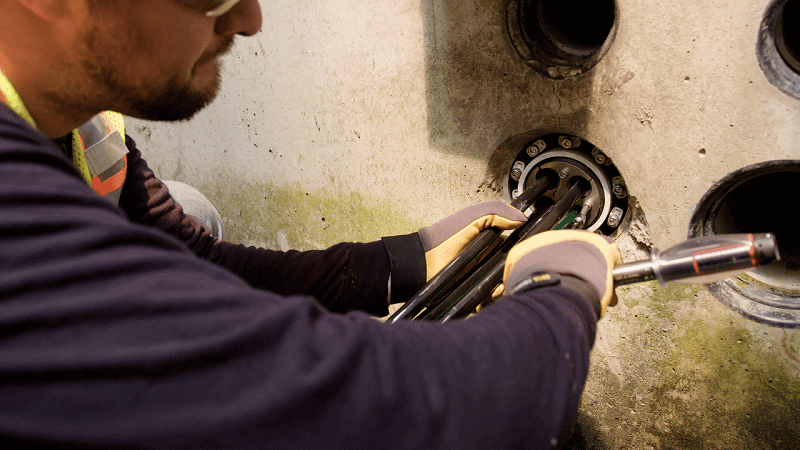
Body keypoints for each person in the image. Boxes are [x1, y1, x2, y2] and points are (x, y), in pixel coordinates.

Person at [0, 0, 622, 448]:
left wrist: (402, 261)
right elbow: (383, 414)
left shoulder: (74, 116)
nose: (249, 19)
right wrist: (560, 290)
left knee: (192, 209)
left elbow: (192, 258)